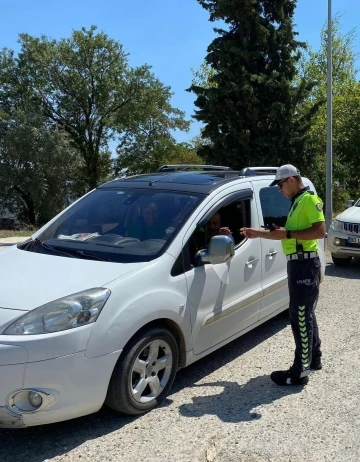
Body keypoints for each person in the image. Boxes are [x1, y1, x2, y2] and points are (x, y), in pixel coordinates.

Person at [240, 164, 326, 386]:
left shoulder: (308, 200)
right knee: (306, 312)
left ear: (290, 179)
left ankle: (299, 372)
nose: (279, 190)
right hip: (299, 263)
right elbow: (284, 236)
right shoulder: (297, 202)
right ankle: (314, 358)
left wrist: (287, 232)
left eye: (279, 185)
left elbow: (320, 231)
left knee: (300, 315)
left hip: (304, 263)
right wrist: (255, 233)